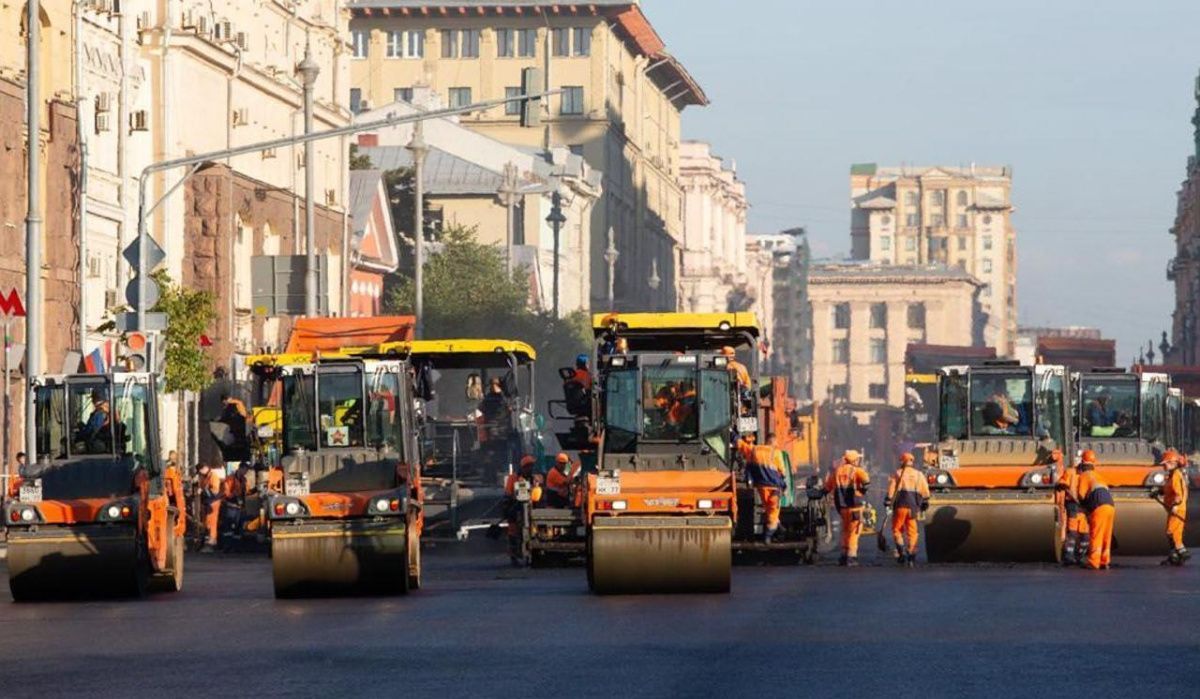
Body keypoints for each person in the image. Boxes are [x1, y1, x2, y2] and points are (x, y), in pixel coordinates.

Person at [823, 450, 871, 566]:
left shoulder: (837, 471)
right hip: (855, 507)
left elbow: (827, 487)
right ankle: (851, 557)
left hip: (842, 508)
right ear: (855, 460)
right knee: (854, 532)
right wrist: (861, 492)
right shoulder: (857, 471)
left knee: (845, 531)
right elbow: (866, 483)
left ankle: (843, 555)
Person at [885, 452, 930, 566]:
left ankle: (901, 553)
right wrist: (924, 503)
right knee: (912, 532)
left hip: (900, 506)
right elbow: (925, 491)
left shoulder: (898, 473)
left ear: (902, 461)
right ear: (912, 461)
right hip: (913, 507)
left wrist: (887, 502)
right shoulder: (919, 475)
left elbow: (891, 490)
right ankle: (911, 556)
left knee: (897, 530)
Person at [741, 437, 787, 543]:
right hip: (774, 487)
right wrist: (784, 484)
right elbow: (783, 472)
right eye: (776, 443)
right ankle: (767, 536)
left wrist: (733, 435)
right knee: (773, 512)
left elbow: (743, 447)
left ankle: (781, 530)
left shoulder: (755, 449)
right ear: (772, 442)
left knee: (768, 509)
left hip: (761, 486)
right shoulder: (776, 453)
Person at [1074, 450, 1115, 570]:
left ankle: (1093, 561)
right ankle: (1104, 560)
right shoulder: (1098, 475)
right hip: (1110, 505)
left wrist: (1083, 508)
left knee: (1096, 534)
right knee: (1106, 535)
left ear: (1082, 465)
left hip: (1099, 505)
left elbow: (1081, 495)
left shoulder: (1084, 476)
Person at [502, 456, 541, 566]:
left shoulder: (533, 479)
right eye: (529, 466)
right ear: (524, 467)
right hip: (514, 507)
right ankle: (514, 557)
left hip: (528, 508)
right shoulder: (513, 478)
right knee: (513, 533)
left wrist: (536, 487)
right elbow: (509, 494)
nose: (531, 468)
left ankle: (530, 554)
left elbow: (535, 496)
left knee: (532, 531)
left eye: (532, 466)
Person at [1054, 448, 1090, 566]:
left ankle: (1080, 556)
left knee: (1085, 534)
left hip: (1084, 506)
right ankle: (1069, 556)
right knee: (1073, 532)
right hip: (1073, 505)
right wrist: (1066, 488)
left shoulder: (1088, 475)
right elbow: (1061, 483)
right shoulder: (1070, 472)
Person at [1160, 449, 1190, 566]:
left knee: (1172, 532)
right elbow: (1168, 490)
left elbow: (1179, 494)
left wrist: (1175, 505)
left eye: (1166, 464)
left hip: (1177, 509)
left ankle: (1181, 553)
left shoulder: (1176, 476)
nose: (1164, 466)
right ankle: (1175, 556)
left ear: (1173, 463)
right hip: (1174, 508)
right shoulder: (1171, 476)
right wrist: (1159, 491)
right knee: (1172, 533)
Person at [197, 463, 222, 551]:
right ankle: (208, 540)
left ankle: (211, 541)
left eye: (200, 471)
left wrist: (203, 491)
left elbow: (215, 491)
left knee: (211, 522)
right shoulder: (205, 476)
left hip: (213, 502)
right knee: (206, 522)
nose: (200, 473)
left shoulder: (213, 476)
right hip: (207, 502)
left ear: (204, 468)